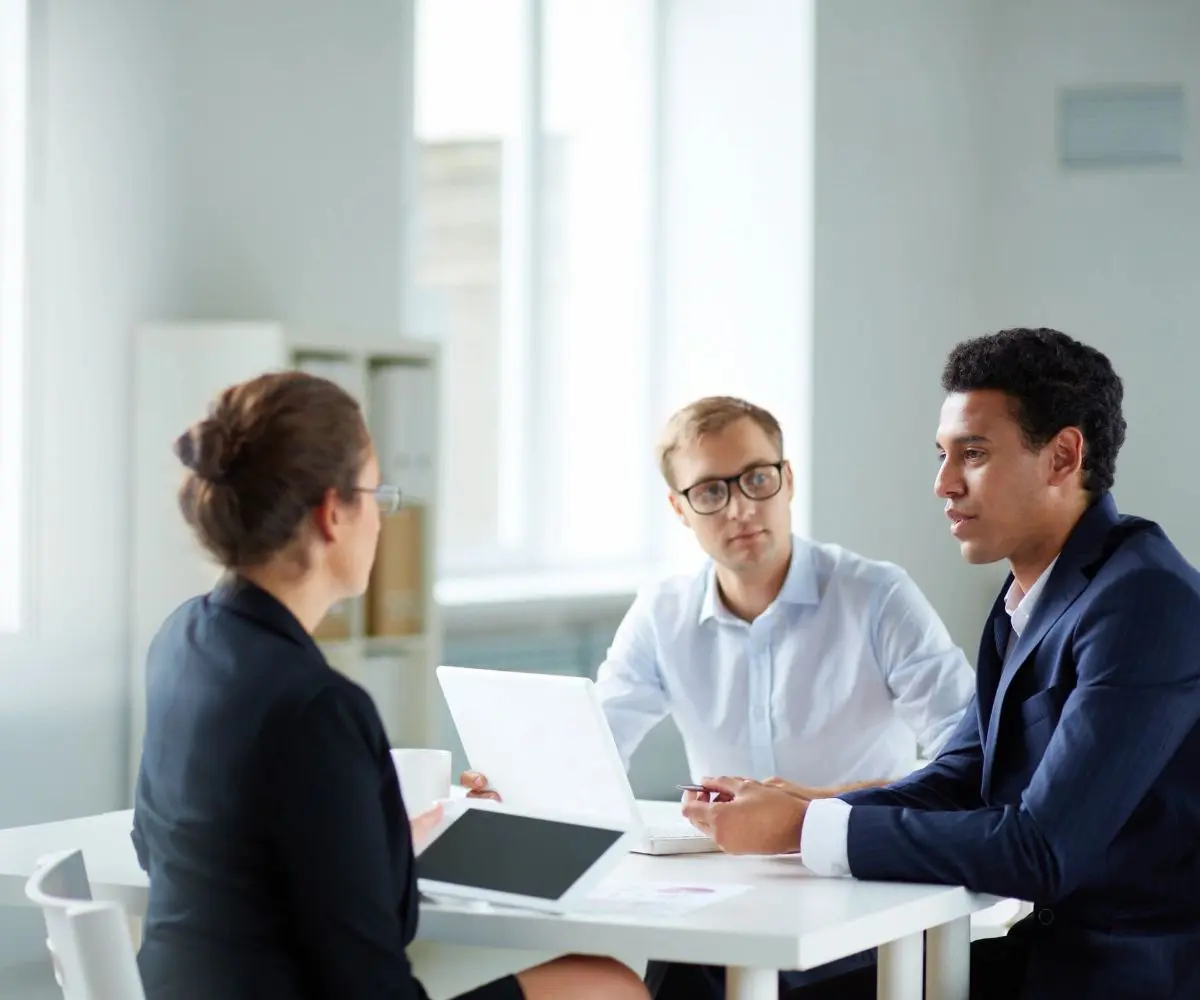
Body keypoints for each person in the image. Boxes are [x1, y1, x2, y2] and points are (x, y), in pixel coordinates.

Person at [678, 328, 1200, 1000]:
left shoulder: (1144, 601)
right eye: (943, 455)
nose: (943, 484)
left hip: (1125, 976)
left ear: (1063, 456)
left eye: (973, 454)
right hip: (1046, 956)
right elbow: (962, 777)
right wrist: (797, 809)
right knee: (713, 978)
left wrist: (806, 826)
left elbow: (1041, 850)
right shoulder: (1030, 595)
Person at [131, 371, 649, 1000]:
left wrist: (374, 840)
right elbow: (369, 973)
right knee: (607, 983)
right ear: (332, 514)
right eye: (376, 495)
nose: (382, 518)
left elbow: (164, 844)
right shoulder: (319, 705)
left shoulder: (181, 641)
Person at [463, 395, 975, 992]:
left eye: (757, 479)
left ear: (787, 481)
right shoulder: (664, 610)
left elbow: (968, 762)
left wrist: (814, 808)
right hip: (720, 902)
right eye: (710, 492)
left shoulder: (876, 596)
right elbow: (596, 746)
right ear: (679, 509)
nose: (739, 509)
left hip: (859, 893)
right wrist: (520, 785)